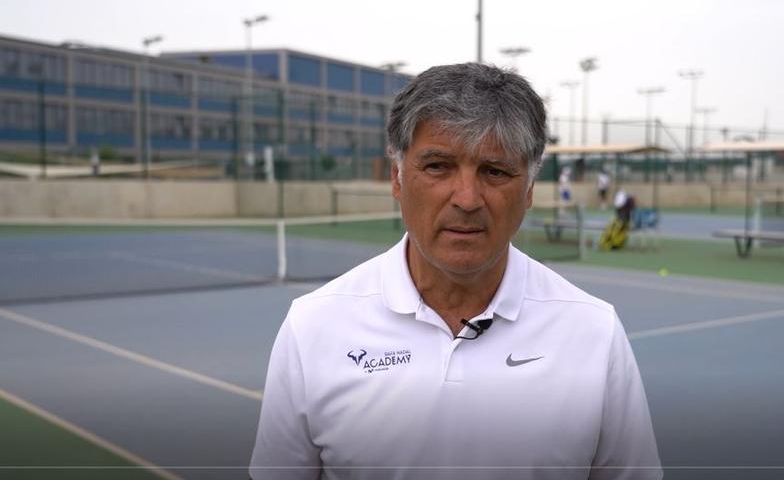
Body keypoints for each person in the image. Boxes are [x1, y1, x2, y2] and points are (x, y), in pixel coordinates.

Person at [250, 63, 661, 480]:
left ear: (531, 188)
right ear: (397, 177)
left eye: (495, 171)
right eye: (437, 167)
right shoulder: (312, 326)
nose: (467, 198)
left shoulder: (595, 331)